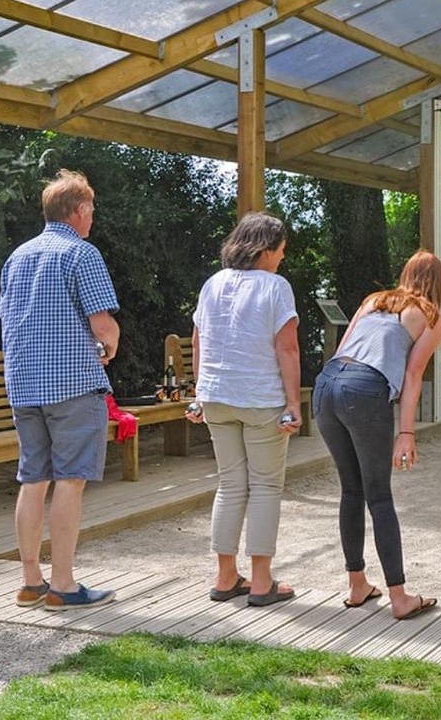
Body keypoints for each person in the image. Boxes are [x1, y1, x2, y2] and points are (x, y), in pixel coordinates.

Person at [0, 169, 120, 611]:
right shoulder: (81, 254)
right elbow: (103, 326)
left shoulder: (17, 257)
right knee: (70, 482)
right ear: (80, 210)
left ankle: (31, 581)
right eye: (91, 210)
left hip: (24, 385)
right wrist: (108, 349)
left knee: (33, 480)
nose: (93, 218)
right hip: (71, 385)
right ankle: (64, 585)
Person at [313, 250, 441, 620]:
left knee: (351, 490)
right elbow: (413, 375)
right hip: (365, 390)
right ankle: (400, 597)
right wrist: (406, 432)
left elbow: (342, 350)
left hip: (327, 384)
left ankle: (357, 584)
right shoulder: (432, 317)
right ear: (440, 283)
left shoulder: (374, 301)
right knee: (379, 496)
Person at [185, 212, 302, 607]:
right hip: (260, 397)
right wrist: (293, 402)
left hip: (216, 395)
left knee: (230, 484)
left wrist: (200, 392)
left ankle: (225, 576)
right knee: (266, 486)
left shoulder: (212, 283)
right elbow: (286, 348)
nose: (281, 259)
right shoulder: (276, 287)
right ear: (265, 249)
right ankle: (262, 581)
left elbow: (198, 341)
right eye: (280, 251)